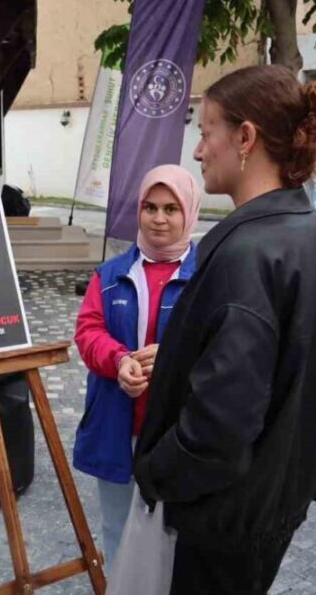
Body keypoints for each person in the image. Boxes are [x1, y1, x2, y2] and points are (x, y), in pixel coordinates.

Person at [125, 65, 316, 594]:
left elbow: (219, 427)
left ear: (245, 137)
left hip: (223, 522)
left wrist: (154, 473)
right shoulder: (308, 232)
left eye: (206, 131)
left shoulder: (248, 252)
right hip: (270, 507)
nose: (198, 150)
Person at [72, 164, 201, 570]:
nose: (159, 218)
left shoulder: (210, 276)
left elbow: (224, 343)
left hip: (178, 433)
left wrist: (174, 356)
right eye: (150, 207)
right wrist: (119, 360)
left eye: (171, 209)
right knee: (117, 528)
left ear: (189, 212)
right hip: (117, 427)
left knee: (175, 531)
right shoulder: (111, 274)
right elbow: (88, 331)